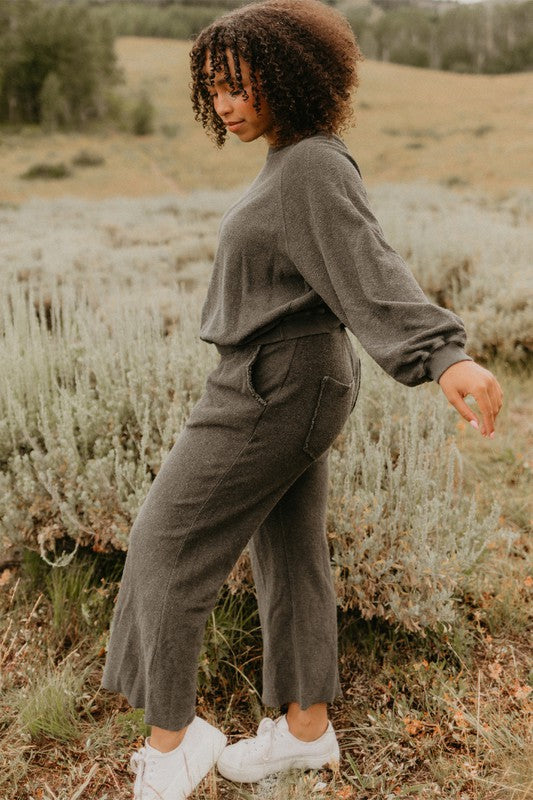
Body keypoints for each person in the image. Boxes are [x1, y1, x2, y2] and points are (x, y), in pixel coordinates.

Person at [100, 1, 504, 797]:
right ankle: (303, 733)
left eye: (238, 85)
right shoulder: (292, 161)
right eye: (213, 89)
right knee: (288, 552)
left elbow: (367, 264)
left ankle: (174, 740)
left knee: (164, 544)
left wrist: (441, 355)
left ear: (287, 76)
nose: (224, 104)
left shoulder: (311, 166)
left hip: (271, 387)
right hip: (287, 380)